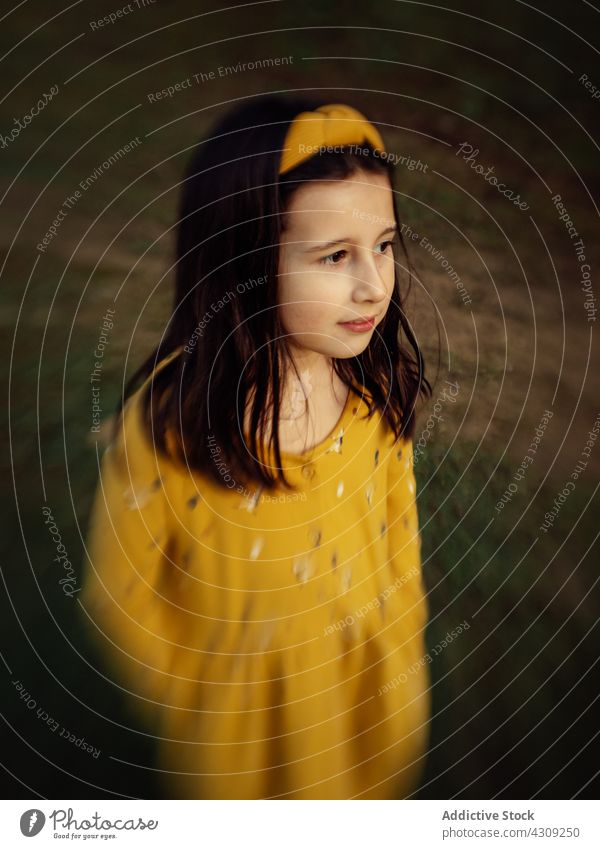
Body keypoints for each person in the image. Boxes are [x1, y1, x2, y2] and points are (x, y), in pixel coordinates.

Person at [81, 97, 433, 799]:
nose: (374, 283)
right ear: (242, 256)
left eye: (385, 244)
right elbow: (119, 597)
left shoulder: (373, 392)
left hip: (367, 707)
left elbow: (398, 528)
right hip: (242, 748)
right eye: (335, 255)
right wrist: (197, 698)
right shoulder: (175, 428)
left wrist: (401, 634)